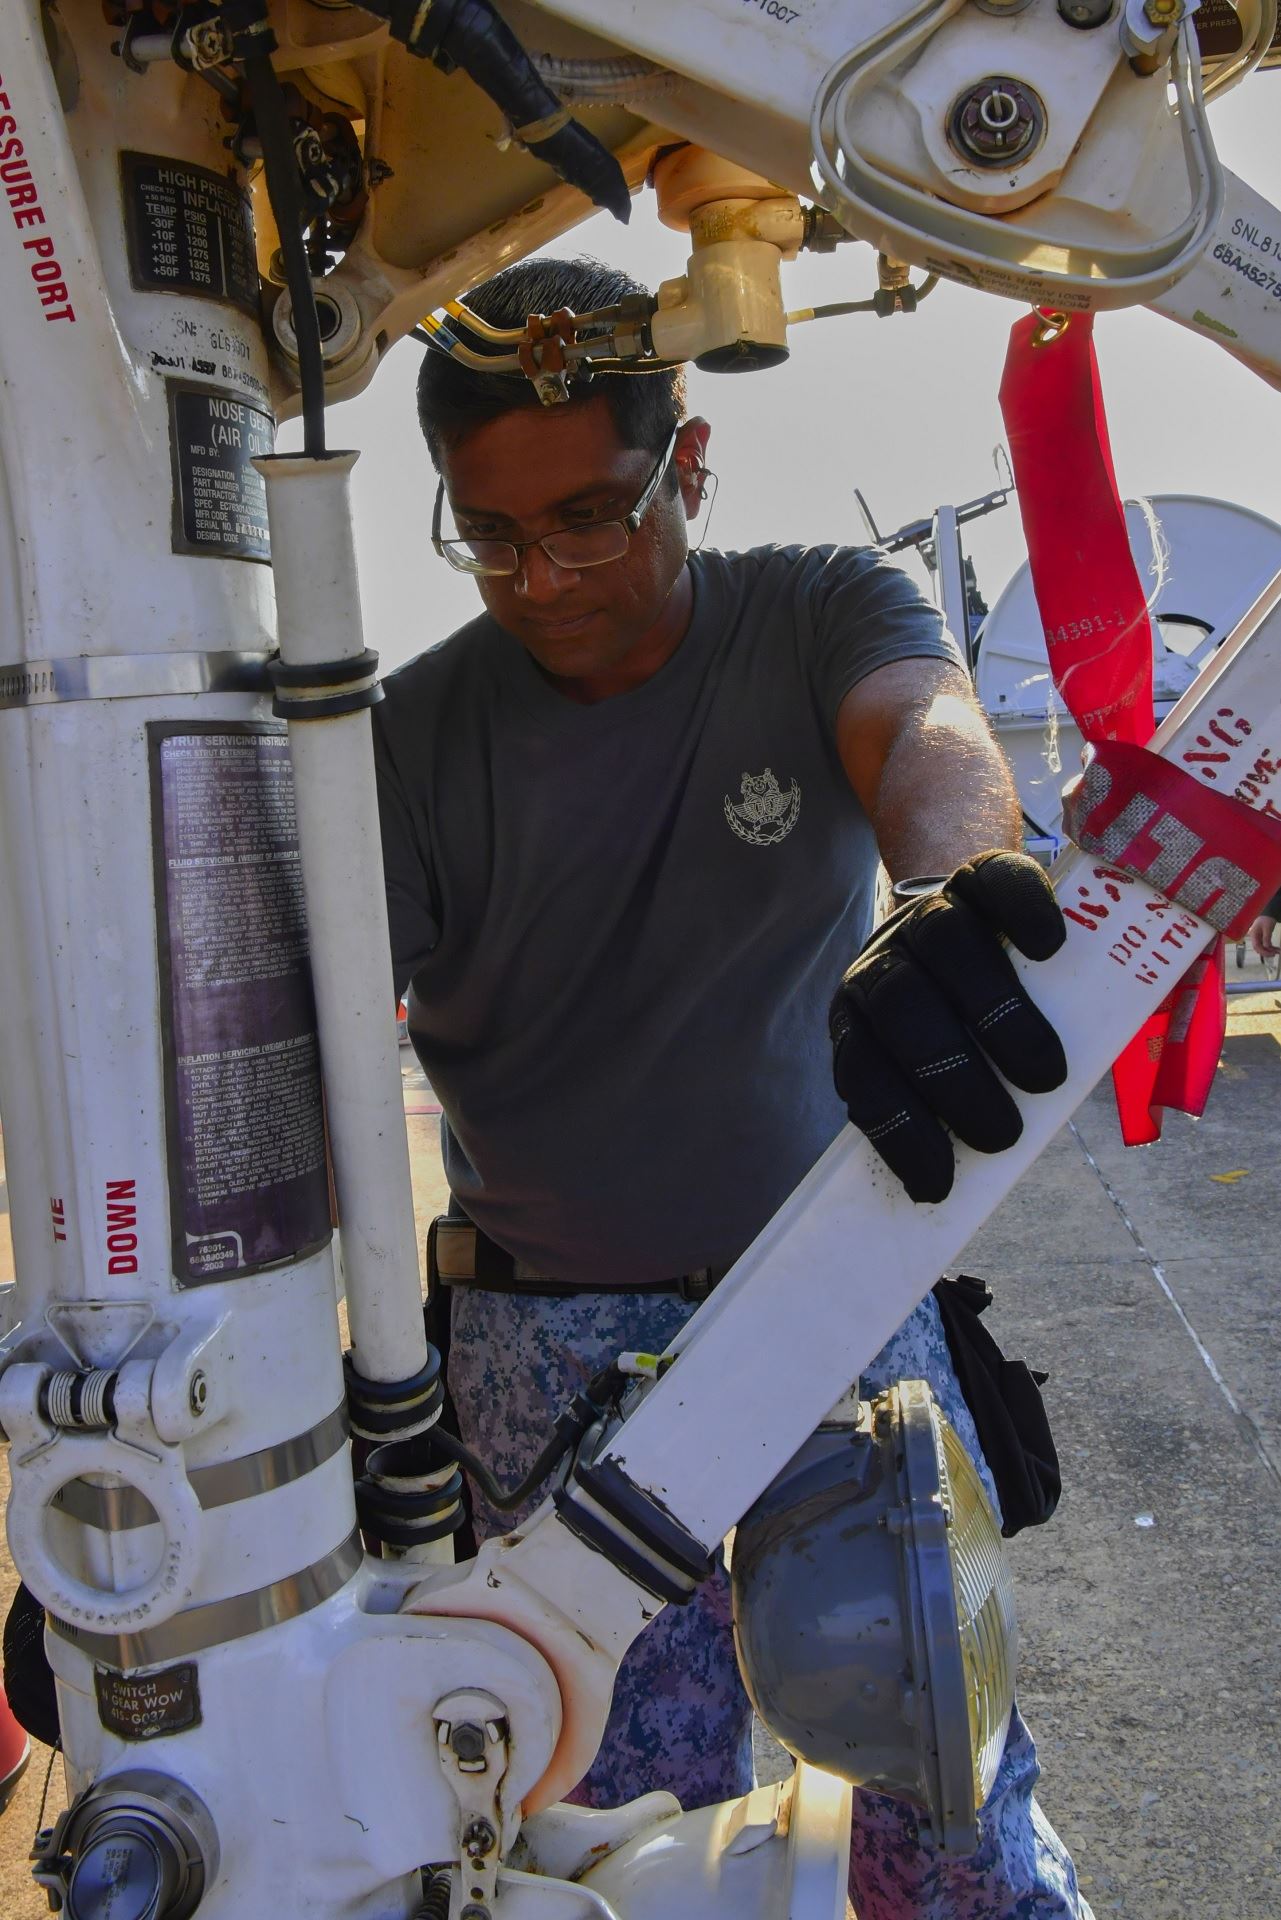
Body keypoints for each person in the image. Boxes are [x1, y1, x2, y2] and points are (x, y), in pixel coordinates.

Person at [373, 254, 1091, 1919]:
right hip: (548, 1351)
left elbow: (926, 731)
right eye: (491, 534)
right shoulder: (408, 736)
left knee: (944, 1783)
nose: (544, 577)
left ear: (687, 466)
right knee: (613, 1821)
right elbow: (309, 1046)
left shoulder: (816, 609)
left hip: (827, 1289)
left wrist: (943, 891)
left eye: (591, 517)